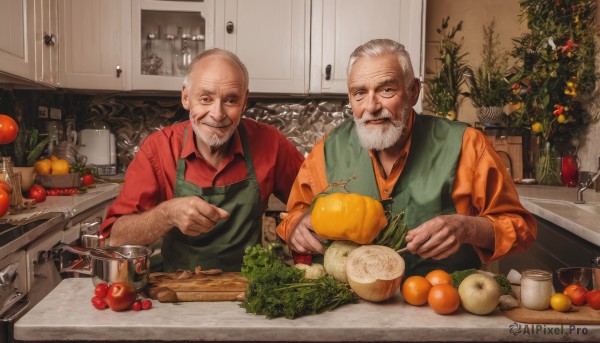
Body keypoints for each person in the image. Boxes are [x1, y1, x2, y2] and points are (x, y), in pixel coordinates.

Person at [275, 39, 536, 277]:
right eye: (359, 93)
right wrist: (296, 225)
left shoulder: (468, 144)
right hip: (350, 308)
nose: (371, 106)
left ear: (413, 92)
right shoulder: (329, 148)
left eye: (386, 89)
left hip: (440, 306)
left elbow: (519, 227)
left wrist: (467, 228)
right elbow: (294, 213)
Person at [100, 49, 304, 272]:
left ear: (244, 102)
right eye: (206, 98)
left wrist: (296, 224)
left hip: (246, 288)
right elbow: (115, 238)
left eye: (231, 100)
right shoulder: (158, 149)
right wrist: (166, 215)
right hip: (177, 286)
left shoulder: (271, 144)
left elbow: (314, 202)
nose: (217, 114)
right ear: (186, 97)